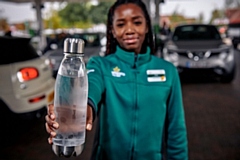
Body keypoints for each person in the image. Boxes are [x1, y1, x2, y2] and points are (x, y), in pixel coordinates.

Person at [45, 0, 188, 159]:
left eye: (137, 22)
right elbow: (92, 85)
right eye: (120, 24)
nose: (129, 30)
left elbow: (176, 130)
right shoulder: (101, 65)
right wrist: (84, 107)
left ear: (147, 26)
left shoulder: (168, 71)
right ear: (112, 30)